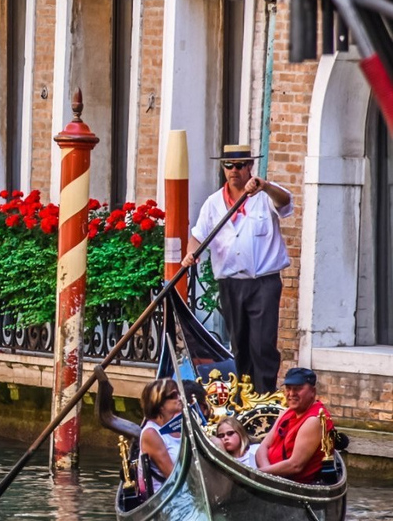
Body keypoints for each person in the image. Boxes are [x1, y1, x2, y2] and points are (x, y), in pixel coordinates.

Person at [181, 143, 293, 394]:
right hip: (230, 283)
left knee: (262, 343)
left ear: (249, 167)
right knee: (240, 344)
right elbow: (198, 236)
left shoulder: (266, 196)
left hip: (263, 282)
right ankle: (245, 396)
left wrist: (264, 185)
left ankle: (265, 395)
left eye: (240, 165)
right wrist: (191, 252)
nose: (234, 170)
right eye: (228, 165)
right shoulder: (212, 203)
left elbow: (286, 202)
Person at [255, 367, 334, 483]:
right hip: (271, 478)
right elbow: (263, 446)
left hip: (293, 485)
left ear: (313, 392)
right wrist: (266, 474)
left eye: (298, 389)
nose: (291, 394)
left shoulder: (314, 420)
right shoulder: (287, 412)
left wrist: (260, 474)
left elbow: (295, 465)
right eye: (288, 388)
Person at [138, 378, 182, 495]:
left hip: (183, 492)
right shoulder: (151, 434)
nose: (179, 398)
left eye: (178, 393)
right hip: (166, 498)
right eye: (173, 395)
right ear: (160, 404)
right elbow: (172, 476)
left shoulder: (177, 427)